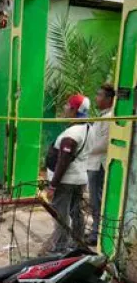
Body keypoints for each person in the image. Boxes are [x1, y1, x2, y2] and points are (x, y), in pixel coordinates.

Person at [45, 94, 92, 254]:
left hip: (65, 181)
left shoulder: (72, 134)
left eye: (67, 105)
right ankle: (78, 243)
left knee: (61, 214)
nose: (64, 108)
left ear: (74, 110)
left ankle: (60, 247)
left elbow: (62, 162)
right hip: (80, 178)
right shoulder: (88, 128)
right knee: (76, 212)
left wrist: (52, 185)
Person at [85, 84, 114, 246]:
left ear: (109, 99)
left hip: (99, 165)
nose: (97, 98)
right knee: (93, 200)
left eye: (100, 95)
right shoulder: (103, 116)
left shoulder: (109, 117)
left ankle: (97, 234)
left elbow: (104, 144)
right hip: (93, 163)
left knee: (97, 200)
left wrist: (85, 149)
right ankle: (95, 229)